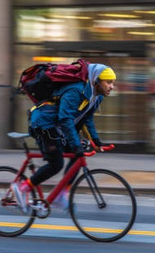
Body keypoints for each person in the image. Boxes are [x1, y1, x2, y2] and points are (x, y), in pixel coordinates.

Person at [10, 63, 116, 213]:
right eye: (109, 82)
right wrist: (75, 144)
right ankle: (22, 188)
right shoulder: (77, 91)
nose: (112, 86)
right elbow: (65, 118)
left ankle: (61, 194)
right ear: (97, 81)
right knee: (56, 163)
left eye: (113, 83)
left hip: (57, 127)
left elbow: (87, 119)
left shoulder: (96, 96)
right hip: (43, 124)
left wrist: (95, 141)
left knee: (76, 157)